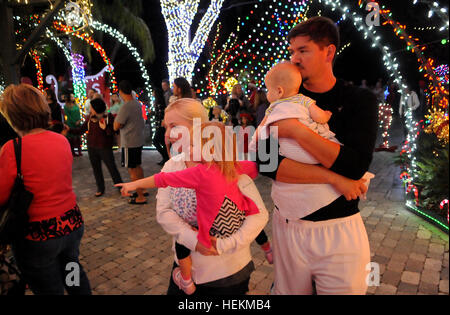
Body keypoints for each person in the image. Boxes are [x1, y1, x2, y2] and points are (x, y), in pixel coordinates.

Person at [256, 16, 378, 295]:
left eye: (303, 50)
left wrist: (297, 132)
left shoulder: (358, 100)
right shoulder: (278, 103)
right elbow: (267, 164)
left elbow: (355, 166)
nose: (295, 58)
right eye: (292, 52)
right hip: (287, 227)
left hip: (338, 230)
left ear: (329, 52)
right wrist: (334, 180)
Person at [149, 98, 269, 295]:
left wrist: (225, 244)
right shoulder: (172, 166)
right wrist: (193, 240)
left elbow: (259, 214)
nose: (168, 134)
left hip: (228, 272)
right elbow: (164, 211)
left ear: (198, 127)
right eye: (166, 126)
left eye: (174, 126)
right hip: (186, 268)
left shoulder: (225, 163)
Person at [0, 84, 91, 295]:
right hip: (71, 223)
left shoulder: (13, 149)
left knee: (49, 287)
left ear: (13, 115)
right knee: (73, 270)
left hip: (38, 234)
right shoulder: (61, 140)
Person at [65, 98, 123, 197]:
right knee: (96, 169)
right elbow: (81, 130)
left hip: (105, 147)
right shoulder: (89, 118)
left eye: (91, 107)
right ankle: (100, 188)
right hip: (92, 147)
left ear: (96, 108)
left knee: (112, 168)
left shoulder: (108, 117)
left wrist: (105, 128)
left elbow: (113, 132)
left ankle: (121, 187)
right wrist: (69, 130)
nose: (90, 109)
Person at [114, 80, 147, 204]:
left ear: (121, 92)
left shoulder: (126, 106)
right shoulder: (137, 103)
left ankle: (140, 197)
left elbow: (116, 126)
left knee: (132, 170)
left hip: (129, 142)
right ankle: (142, 189)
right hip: (138, 140)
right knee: (138, 166)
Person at [152, 89, 170, 166]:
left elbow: (161, 114)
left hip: (161, 126)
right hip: (160, 125)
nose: (152, 93)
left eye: (153, 91)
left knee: (155, 141)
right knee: (162, 142)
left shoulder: (160, 104)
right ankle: (166, 158)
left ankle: (166, 157)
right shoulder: (158, 103)